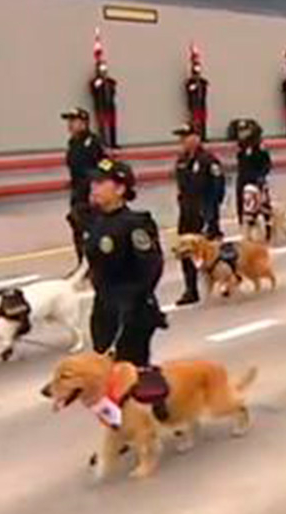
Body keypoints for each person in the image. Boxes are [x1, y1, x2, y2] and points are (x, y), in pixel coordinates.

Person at [83, 158, 166, 367]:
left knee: (130, 374)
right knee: (105, 371)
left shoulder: (136, 224)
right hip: (104, 307)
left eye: (101, 183)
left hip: (131, 310)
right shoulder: (95, 221)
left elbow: (151, 266)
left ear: (120, 189)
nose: (94, 188)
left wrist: (131, 301)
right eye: (93, 182)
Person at [173, 123, 225, 305]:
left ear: (196, 137)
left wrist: (211, 212)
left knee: (210, 252)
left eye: (186, 137)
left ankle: (223, 281)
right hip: (187, 212)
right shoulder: (181, 160)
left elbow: (218, 186)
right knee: (187, 251)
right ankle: (191, 289)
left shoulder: (208, 160)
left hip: (204, 211)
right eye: (181, 138)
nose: (183, 141)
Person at [62, 107, 109, 266]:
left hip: (91, 193)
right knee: (78, 228)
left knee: (93, 230)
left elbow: (105, 165)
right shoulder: (73, 143)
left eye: (73, 121)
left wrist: (98, 186)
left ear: (83, 123)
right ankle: (82, 264)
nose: (70, 125)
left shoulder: (93, 142)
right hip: (77, 192)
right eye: (69, 121)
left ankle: (97, 264)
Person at [233, 118, 272, 233]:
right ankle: (244, 227)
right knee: (242, 204)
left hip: (256, 179)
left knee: (263, 204)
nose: (242, 134)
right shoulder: (241, 147)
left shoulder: (259, 146)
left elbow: (267, 164)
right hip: (243, 178)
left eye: (245, 131)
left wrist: (261, 176)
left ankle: (268, 226)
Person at [90, 61, 119, 149]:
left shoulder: (109, 81)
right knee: (102, 126)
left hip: (110, 106)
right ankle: (104, 143)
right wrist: (100, 81)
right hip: (101, 106)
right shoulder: (96, 81)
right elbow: (94, 88)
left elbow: (114, 85)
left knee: (112, 125)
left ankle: (113, 143)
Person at [185, 64, 210, 139]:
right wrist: (194, 85)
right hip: (194, 104)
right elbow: (189, 90)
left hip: (202, 104)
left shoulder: (202, 82)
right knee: (195, 120)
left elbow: (206, 85)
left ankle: (203, 136)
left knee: (203, 120)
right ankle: (195, 136)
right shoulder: (190, 82)